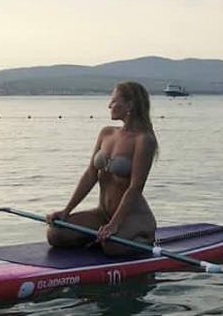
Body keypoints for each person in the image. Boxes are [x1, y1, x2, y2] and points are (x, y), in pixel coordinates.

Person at [46, 81, 158, 256]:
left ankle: (145, 237)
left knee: (112, 246)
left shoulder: (143, 140)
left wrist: (115, 224)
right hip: (102, 213)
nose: (109, 106)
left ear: (130, 104)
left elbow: (136, 187)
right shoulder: (106, 133)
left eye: (114, 101)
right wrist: (66, 211)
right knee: (56, 234)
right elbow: (91, 174)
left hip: (132, 216)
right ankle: (99, 237)